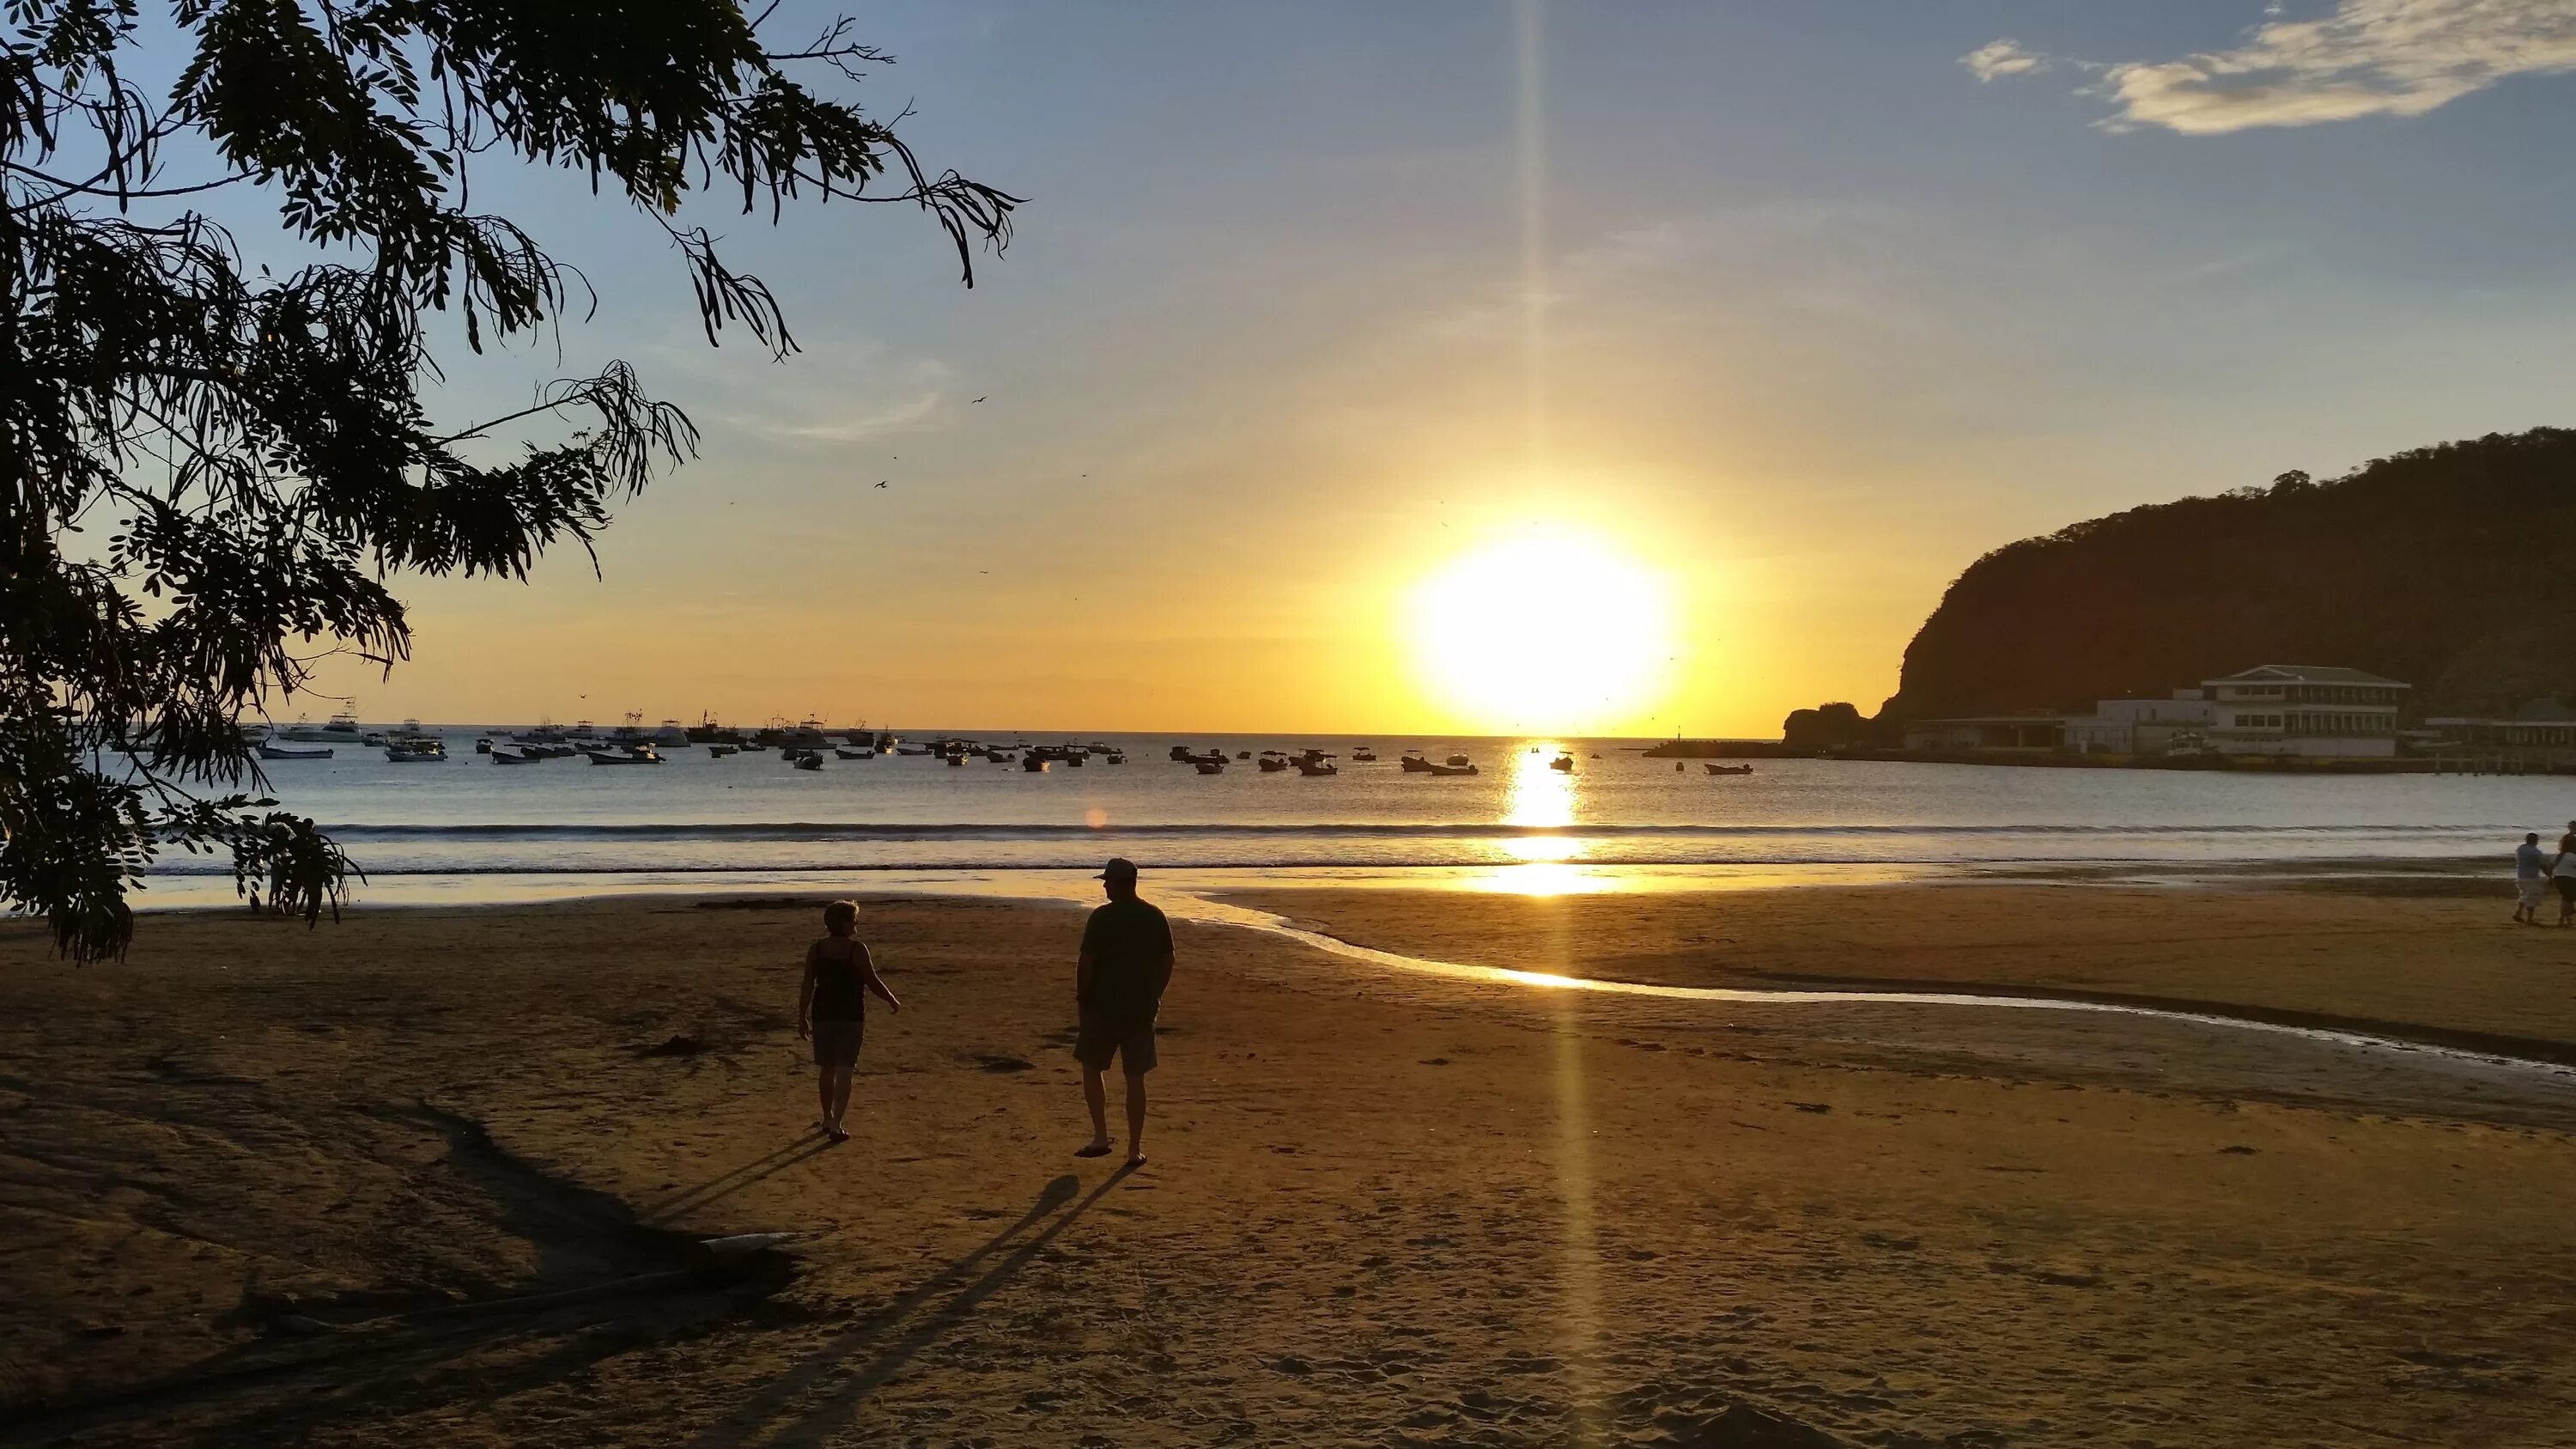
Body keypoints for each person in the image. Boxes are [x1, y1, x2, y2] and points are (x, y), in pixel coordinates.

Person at [1074, 857, 1173, 1166]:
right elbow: (1167, 961)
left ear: (1120, 883)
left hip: (1103, 1006)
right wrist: (1155, 993)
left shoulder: (1102, 918)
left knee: (1092, 1067)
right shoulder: (1154, 916)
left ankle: (1101, 1136)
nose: (1105, 886)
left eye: (1108, 881)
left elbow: (1086, 963)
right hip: (1140, 1008)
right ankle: (1133, 1148)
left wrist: (1082, 997)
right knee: (1135, 1077)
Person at [797, 900, 899, 1142]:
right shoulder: (857, 949)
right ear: (843, 923)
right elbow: (872, 981)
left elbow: (807, 985)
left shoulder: (817, 949)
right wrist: (891, 999)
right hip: (850, 1015)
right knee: (844, 1070)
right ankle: (836, 1124)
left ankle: (827, 1117)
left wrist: (802, 1016)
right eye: (854, 919)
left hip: (823, 1014)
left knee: (827, 1068)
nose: (857, 923)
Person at [2515, 832, 2548, 925]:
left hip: (2520, 875)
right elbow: (2542, 865)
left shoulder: (2520, 849)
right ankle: (2529, 919)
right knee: (2532, 898)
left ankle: (2518, 913)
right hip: (2531, 877)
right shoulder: (2536, 852)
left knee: (2524, 895)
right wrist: (2549, 875)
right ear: (2535, 841)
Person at [2552, 827, 2576, 929]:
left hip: (2558, 878)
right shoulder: (2571, 856)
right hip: (2569, 879)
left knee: (2566, 899)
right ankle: (2563, 919)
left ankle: (2565, 919)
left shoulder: (2559, 856)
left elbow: (2550, 865)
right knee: (2568, 900)